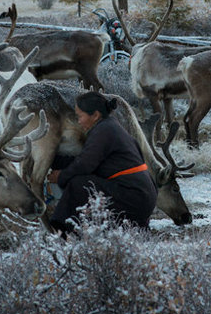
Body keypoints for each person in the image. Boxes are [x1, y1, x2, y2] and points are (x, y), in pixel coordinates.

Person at [48, 92, 158, 235]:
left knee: (78, 185)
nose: (79, 121)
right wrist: (53, 160)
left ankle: (58, 230)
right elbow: (88, 161)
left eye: (80, 116)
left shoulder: (103, 131)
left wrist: (61, 176)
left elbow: (85, 165)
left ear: (95, 115)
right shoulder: (111, 127)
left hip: (134, 196)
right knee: (89, 183)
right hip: (144, 195)